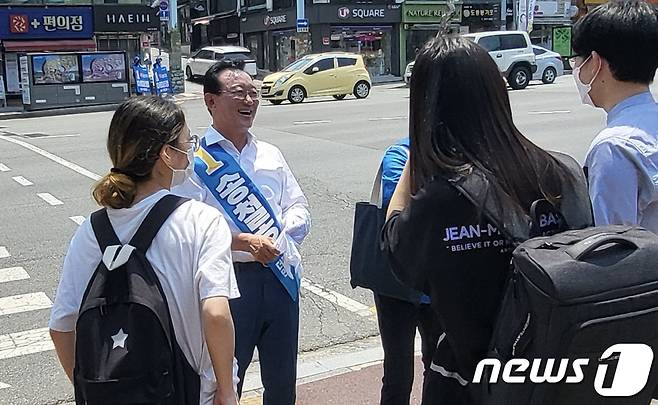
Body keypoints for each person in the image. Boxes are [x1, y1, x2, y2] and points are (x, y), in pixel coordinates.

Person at [380, 35, 592, 404]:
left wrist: (415, 159)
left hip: (470, 381)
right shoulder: (563, 172)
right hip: (553, 375)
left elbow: (397, 250)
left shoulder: (443, 197)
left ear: (427, 107)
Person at [49, 96, 240, 405]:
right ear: (166, 154)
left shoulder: (91, 230)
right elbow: (216, 313)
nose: (190, 153)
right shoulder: (200, 220)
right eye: (186, 143)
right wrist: (227, 392)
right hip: (189, 394)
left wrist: (95, 388)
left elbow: (61, 326)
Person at [174, 60, 311, 405]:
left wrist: (282, 232)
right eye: (239, 93)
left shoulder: (270, 154)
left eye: (254, 93)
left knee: (282, 383)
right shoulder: (196, 163)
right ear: (210, 101)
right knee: (225, 382)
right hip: (228, 284)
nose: (249, 100)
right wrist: (243, 242)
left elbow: (299, 207)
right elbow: (187, 229)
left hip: (280, 278)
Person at [571, 0, 658, 233]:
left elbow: (615, 249)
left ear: (596, 63)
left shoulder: (614, 147)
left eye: (577, 60)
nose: (575, 69)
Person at [375, 137, 440, 405]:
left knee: (438, 367)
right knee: (398, 372)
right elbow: (401, 215)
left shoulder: (458, 152)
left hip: (437, 285)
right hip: (396, 285)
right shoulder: (400, 154)